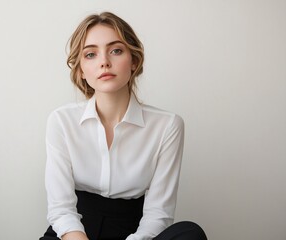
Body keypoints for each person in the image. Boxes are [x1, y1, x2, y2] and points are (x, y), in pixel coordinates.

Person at [40, 12, 207, 240]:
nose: (104, 62)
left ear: (135, 60)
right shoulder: (61, 121)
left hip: (134, 233)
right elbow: (61, 210)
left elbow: (158, 214)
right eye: (90, 54)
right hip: (74, 232)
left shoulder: (168, 125)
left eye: (116, 50)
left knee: (190, 233)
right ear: (80, 70)